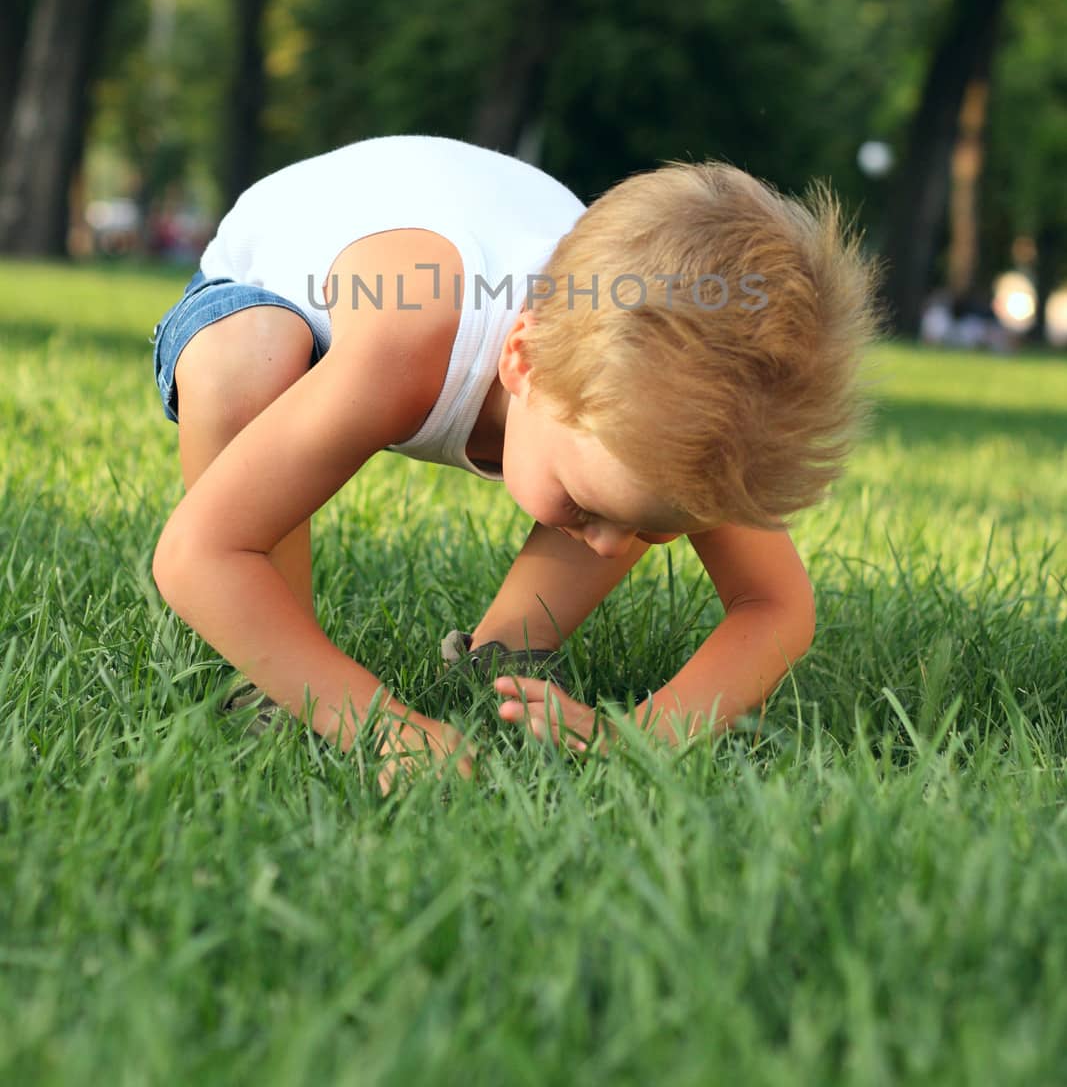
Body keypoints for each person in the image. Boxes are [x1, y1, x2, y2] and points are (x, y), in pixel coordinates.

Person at [149, 134, 887, 795]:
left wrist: (640, 738)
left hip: (507, 292)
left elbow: (776, 607)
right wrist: (374, 721)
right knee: (247, 355)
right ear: (521, 361)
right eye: (586, 506)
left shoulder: (663, 410)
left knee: (632, 497)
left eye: (643, 535)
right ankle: (277, 680)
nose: (607, 546)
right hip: (265, 295)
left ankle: (501, 660)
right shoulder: (409, 342)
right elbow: (197, 555)